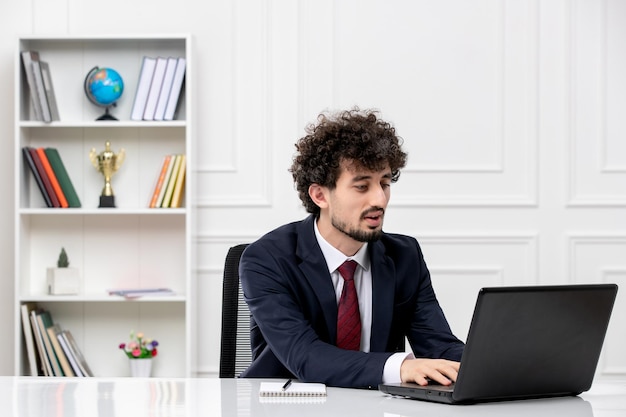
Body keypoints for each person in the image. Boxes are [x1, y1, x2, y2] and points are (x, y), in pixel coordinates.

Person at [239, 107, 464, 389]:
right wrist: (401, 366)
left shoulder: (405, 256)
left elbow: (440, 348)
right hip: (287, 405)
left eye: (384, 183)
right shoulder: (267, 259)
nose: (380, 199)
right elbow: (306, 357)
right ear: (320, 194)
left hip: (374, 406)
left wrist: (497, 367)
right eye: (362, 186)